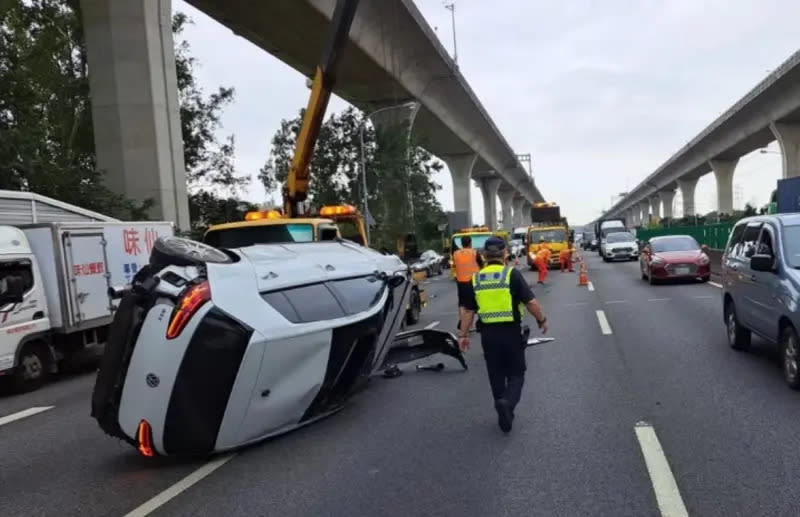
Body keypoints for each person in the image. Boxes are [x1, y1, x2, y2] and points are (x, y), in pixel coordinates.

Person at [458, 236, 548, 433]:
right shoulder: (511, 275)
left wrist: (462, 336)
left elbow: (468, 312)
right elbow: (531, 303)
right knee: (517, 373)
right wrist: (541, 320)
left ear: (483, 256)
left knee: (495, 373)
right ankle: (507, 403)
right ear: (505, 254)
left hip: (488, 335)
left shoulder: (476, 279)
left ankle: (501, 406)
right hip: (511, 332)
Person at [454, 235, 484, 330]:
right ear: (470, 243)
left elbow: (455, 265)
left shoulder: (456, 254)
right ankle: (480, 322)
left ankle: (464, 324)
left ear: (462, 244)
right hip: (473, 281)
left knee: (462, 304)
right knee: (478, 302)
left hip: (460, 282)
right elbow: (481, 265)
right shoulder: (474, 253)